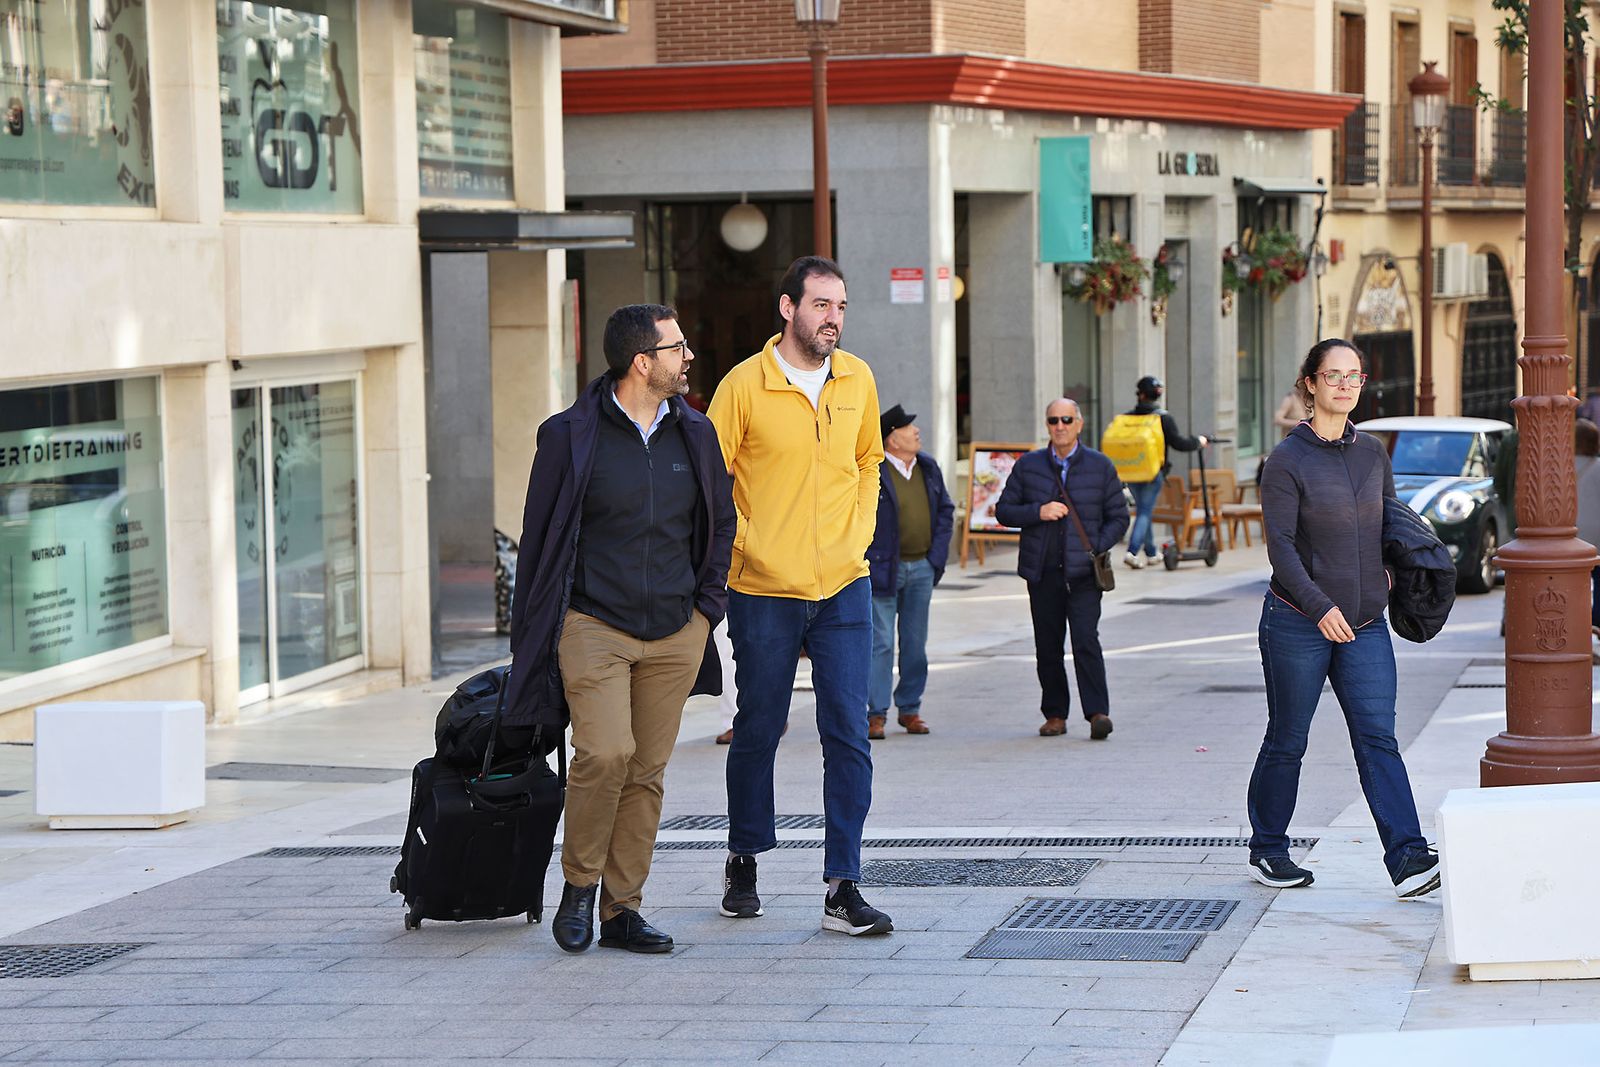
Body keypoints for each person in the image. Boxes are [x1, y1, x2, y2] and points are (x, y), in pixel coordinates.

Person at [504, 303, 735, 954]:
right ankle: (579, 885)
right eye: (677, 348)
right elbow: (541, 539)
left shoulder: (695, 432)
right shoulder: (569, 436)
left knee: (645, 770)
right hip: (593, 623)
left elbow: (722, 521)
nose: (687, 357)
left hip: (675, 629)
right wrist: (535, 629)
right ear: (643, 362)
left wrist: (705, 611)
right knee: (604, 753)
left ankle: (620, 909)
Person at [707, 255, 893, 937]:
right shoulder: (742, 387)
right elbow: (711, 478)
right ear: (788, 308)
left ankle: (844, 884)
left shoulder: (857, 379)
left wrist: (861, 531)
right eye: (820, 305)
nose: (833, 318)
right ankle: (744, 855)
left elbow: (869, 459)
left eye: (841, 306)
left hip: (844, 583)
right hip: (762, 588)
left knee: (849, 731)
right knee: (759, 727)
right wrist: (742, 545)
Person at [1248, 338, 1439, 899]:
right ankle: (1269, 848)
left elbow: (1390, 523)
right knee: (1289, 738)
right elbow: (1280, 546)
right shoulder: (1287, 460)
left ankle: (1409, 859)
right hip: (1296, 623)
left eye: (1353, 376)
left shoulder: (1372, 453)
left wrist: (1388, 572)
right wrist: (1320, 607)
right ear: (1310, 383)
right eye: (1333, 375)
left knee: (1378, 737)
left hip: (1365, 625)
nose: (1345, 385)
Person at [995, 398, 1130, 739]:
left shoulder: (1100, 466)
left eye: (1067, 419)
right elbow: (1004, 511)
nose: (1060, 426)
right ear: (1047, 425)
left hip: (1084, 574)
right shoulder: (1029, 466)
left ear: (1079, 424)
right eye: (1054, 420)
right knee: (1048, 646)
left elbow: (1119, 516)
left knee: (1086, 641)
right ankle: (1054, 714)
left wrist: (1096, 546)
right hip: (1043, 572)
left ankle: (1098, 712)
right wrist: (1037, 512)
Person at [866, 404, 955, 740]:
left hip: (921, 567)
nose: (916, 432)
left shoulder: (928, 466)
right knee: (882, 643)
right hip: (883, 570)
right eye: (907, 428)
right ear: (892, 440)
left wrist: (936, 558)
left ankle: (910, 708)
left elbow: (945, 510)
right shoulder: (873, 469)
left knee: (916, 643)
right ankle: (875, 713)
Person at [1121, 375, 1206, 569]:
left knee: (1144, 509)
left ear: (1140, 395)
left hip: (1131, 471)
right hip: (1153, 473)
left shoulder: (1127, 417)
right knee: (1144, 510)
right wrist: (1198, 442)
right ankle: (1132, 551)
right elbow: (1179, 443)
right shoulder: (1163, 418)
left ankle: (1151, 552)